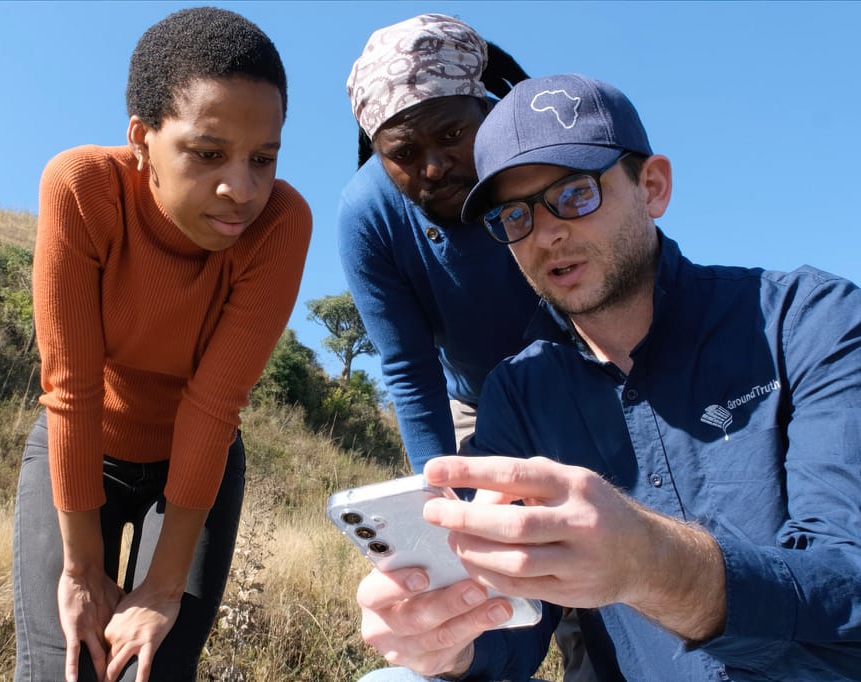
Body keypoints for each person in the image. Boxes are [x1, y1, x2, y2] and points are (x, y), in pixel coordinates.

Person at [356, 73, 861, 681]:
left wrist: (651, 563)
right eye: (513, 217)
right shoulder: (520, 396)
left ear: (652, 187)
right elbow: (511, 633)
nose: (546, 233)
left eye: (573, 195)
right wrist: (448, 639)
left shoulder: (808, 323)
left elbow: (846, 586)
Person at [12, 8, 312, 682]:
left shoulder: (282, 226)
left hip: (193, 465)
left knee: (150, 668)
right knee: (62, 666)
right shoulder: (83, 188)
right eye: (208, 155)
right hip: (83, 446)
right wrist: (83, 570)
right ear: (143, 138)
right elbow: (71, 388)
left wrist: (163, 588)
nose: (242, 190)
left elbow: (214, 404)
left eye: (263, 159)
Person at [341, 16, 594, 681]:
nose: (432, 166)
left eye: (453, 134)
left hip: (588, 381)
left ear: (487, 106)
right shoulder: (368, 215)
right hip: (471, 406)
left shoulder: (541, 164)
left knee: (596, 591)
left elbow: (587, 305)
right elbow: (407, 367)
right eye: (403, 152)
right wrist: (445, 509)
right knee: (478, 588)